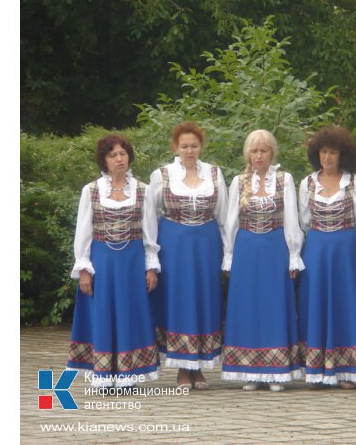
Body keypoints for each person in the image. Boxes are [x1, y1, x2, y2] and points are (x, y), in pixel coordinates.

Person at [67, 134, 160, 387]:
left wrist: (151, 266)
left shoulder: (143, 190)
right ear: (104, 160)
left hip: (132, 260)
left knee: (129, 312)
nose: (119, 158)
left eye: (123, 153)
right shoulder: (91, 190)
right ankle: (104, 374)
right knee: (104, 311)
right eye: (113, 155)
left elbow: (150, 232)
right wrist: (84, 267)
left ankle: (128, 374)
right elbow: (83, 231)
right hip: (102, 261)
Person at [221, 129, 305, 392]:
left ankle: (276, 371)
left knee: (274, 305)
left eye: (264, 150)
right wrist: (229, 255)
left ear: (272, 153)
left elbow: (292, 218)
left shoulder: (284, 179)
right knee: (247, 306)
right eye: (254, 151)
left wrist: (293, 255)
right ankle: (250, 371)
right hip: (246, 250)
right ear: (248, 153)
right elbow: (229, 223)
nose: (259, 156)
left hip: (274, 248)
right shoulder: (238, 181)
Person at [147, 121, 229, 390]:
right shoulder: (162, 175)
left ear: (201, 146)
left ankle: (200, 367)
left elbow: (224, 218)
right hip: (174, 244)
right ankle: (183, 367)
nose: (189, 150)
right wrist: (152, 256)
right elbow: (150, 217)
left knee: (204, 300)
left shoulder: (214, 174)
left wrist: (228, 253)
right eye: (184, 146)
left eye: (194, 145)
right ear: (175, 147)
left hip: (206, 245)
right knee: (179, 301)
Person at [298, 126, 356, 389]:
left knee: (346, 305)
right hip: (317, 251)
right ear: (316, 154)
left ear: (342, 155)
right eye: (323, 151)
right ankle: (317, 370)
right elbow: (303, 222)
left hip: (346, 251)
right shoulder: (307, 183)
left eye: (333, 152)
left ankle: (346, 370)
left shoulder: (354, 182)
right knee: (317, 305)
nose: (328, 157)